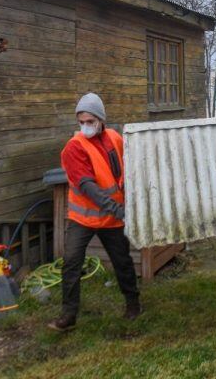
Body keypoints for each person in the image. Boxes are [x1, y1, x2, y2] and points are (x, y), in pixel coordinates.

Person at [48, 93, 141, 332]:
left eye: (90, 121)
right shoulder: (74, 148)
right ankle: (69, 315)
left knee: (122, 261)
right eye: (81, 122)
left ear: (101, 120)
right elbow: (88, 188)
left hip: (111, 218)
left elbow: (128, 167)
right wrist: (118, 210)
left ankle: (133, 304)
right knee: (71, 263)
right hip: (84, 218)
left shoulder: (114, 138)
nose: (85, 126)